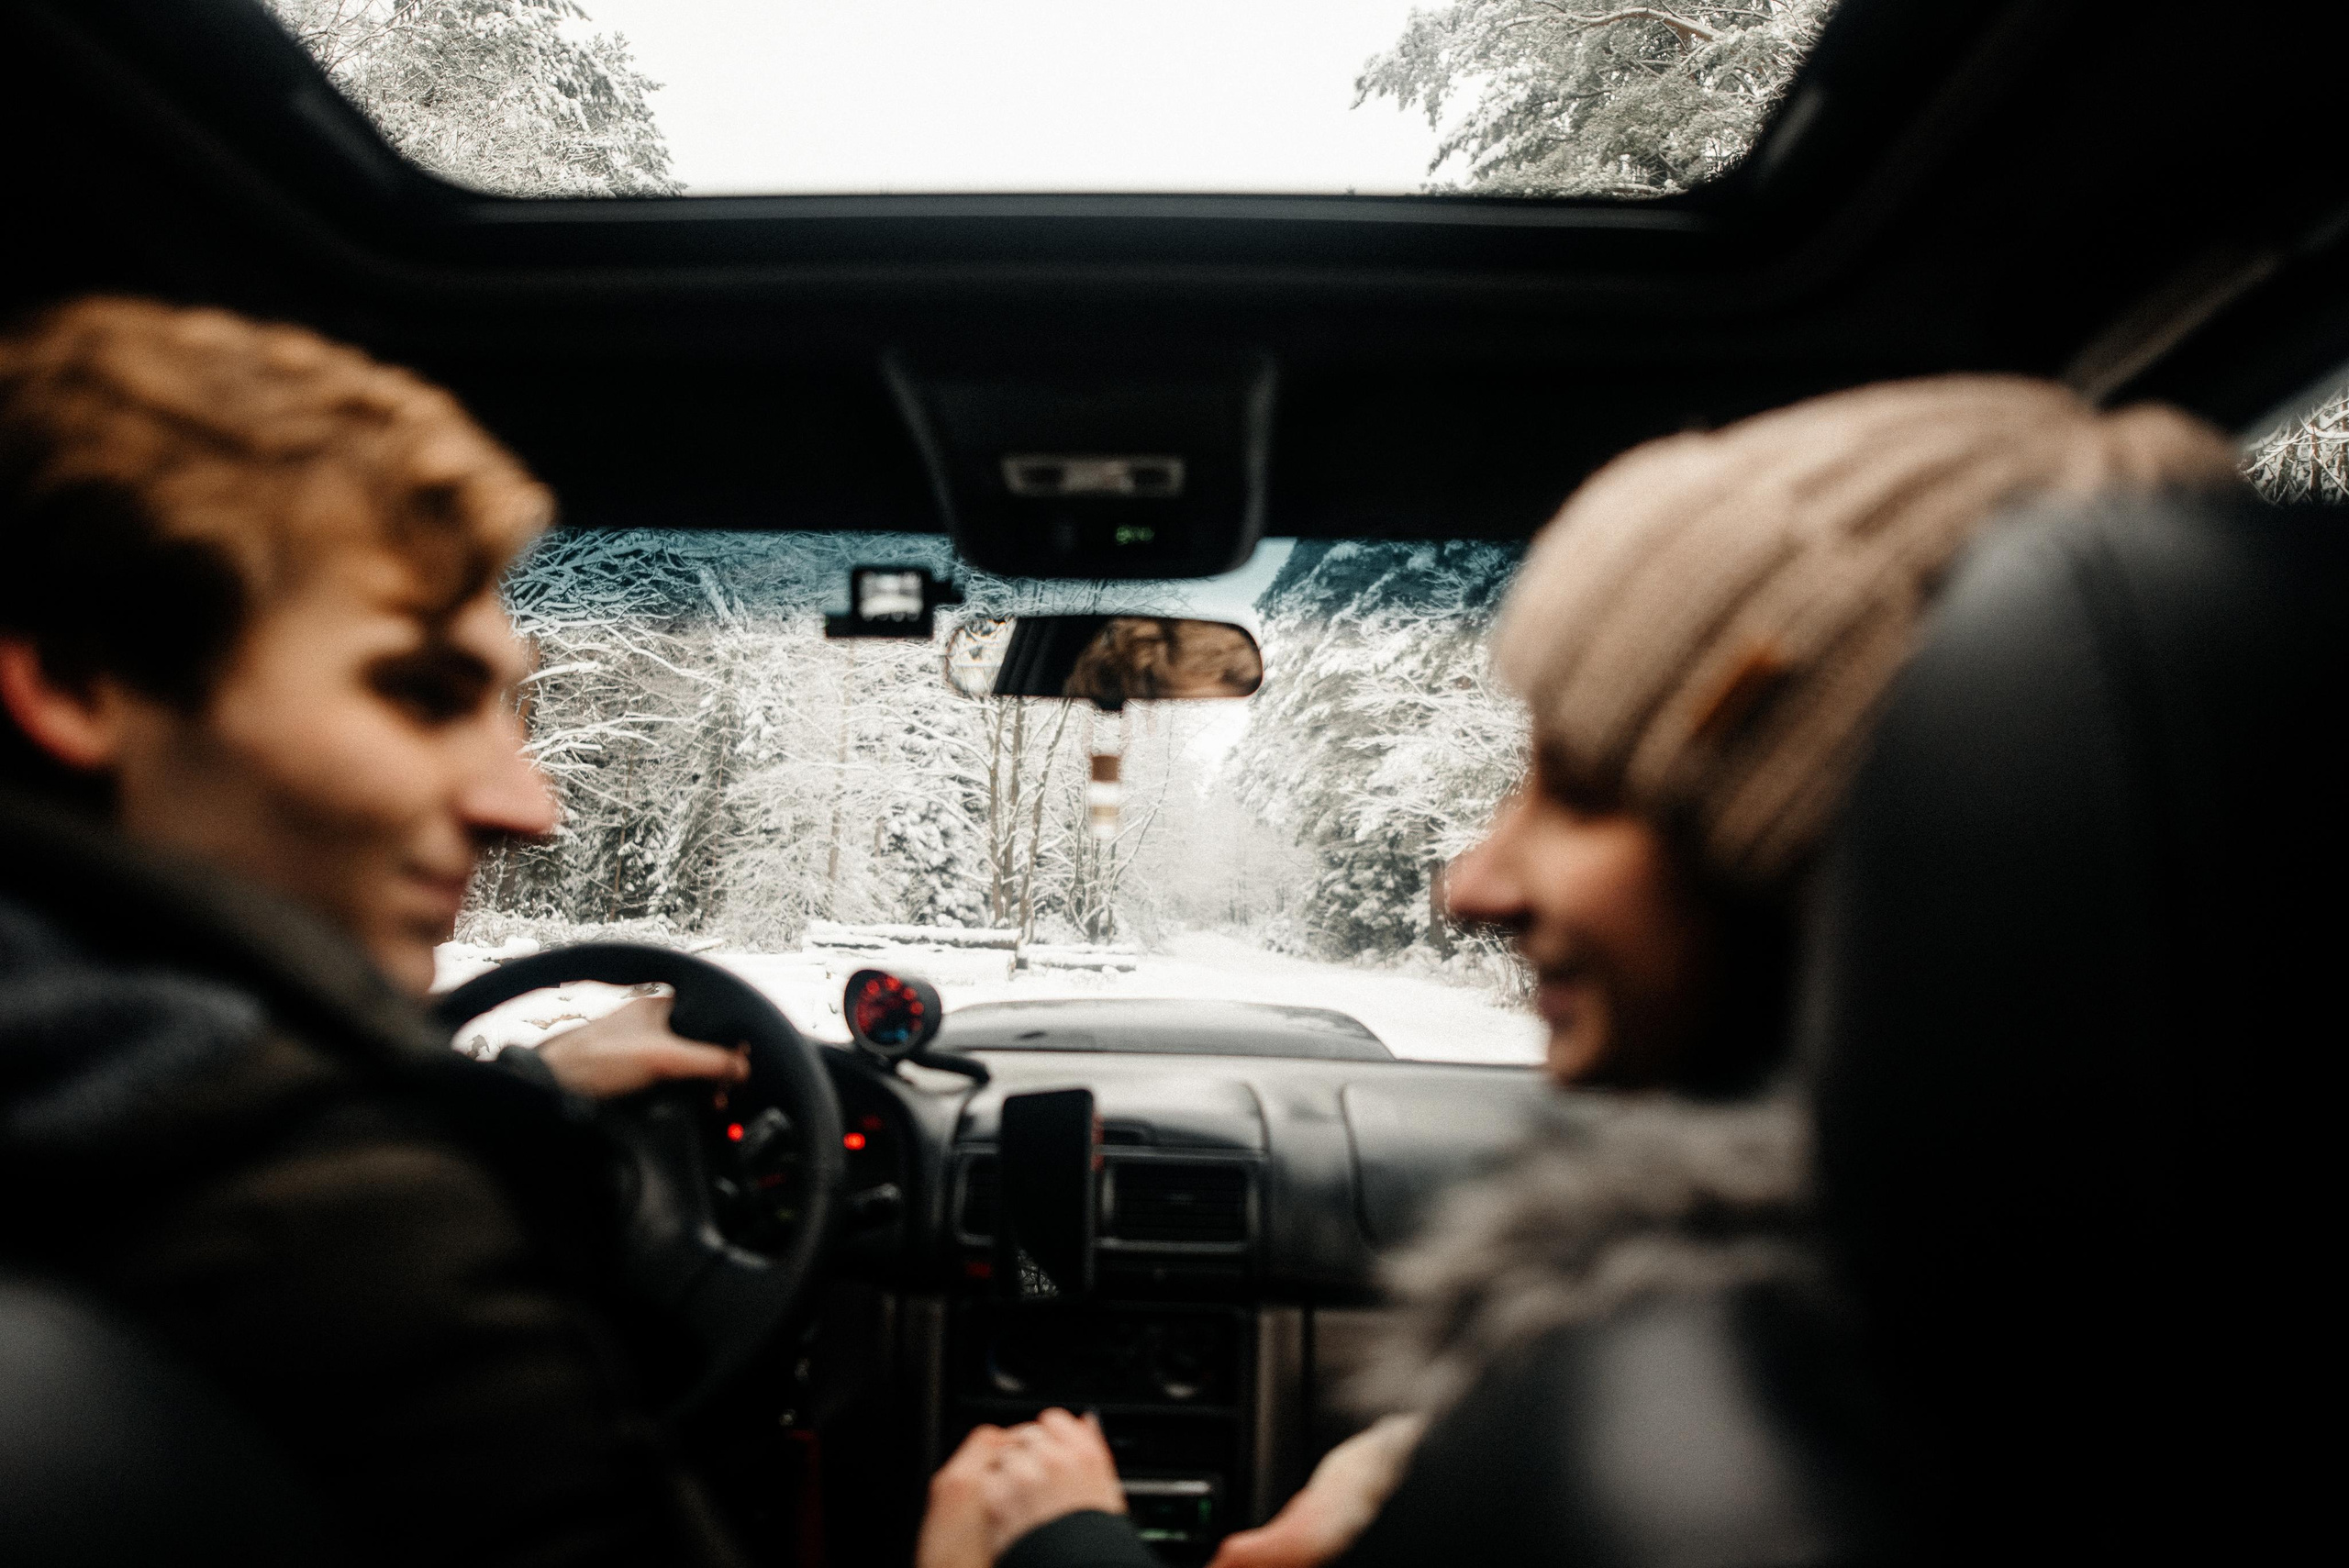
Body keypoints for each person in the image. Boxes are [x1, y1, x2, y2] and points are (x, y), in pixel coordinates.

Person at [914, 375, 2245, 1568]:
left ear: (1892, 824)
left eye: (1590, 787)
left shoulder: (1667, 1438)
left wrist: (1055, 1544)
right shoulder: (1994, 1358)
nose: (1470, 885)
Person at [0, 297, 756, 1564]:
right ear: (82, 685)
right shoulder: (345, 1247)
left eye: (510, 708)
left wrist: (524, 1091)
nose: (531, 804)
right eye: (420, 690)